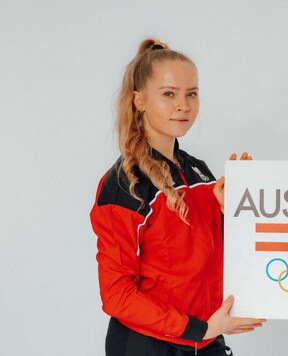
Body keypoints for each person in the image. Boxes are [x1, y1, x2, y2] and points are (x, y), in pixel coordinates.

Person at [90, 39, 264, 356]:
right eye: (169, 94)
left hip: (206, 341)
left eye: (191, 94)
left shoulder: (198, 171)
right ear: (139, 100)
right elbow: (117, 294)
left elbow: (209, 257)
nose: (183, 105)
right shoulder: (124, 184)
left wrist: (231, 212)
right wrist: (199, 328)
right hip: (150, 345)